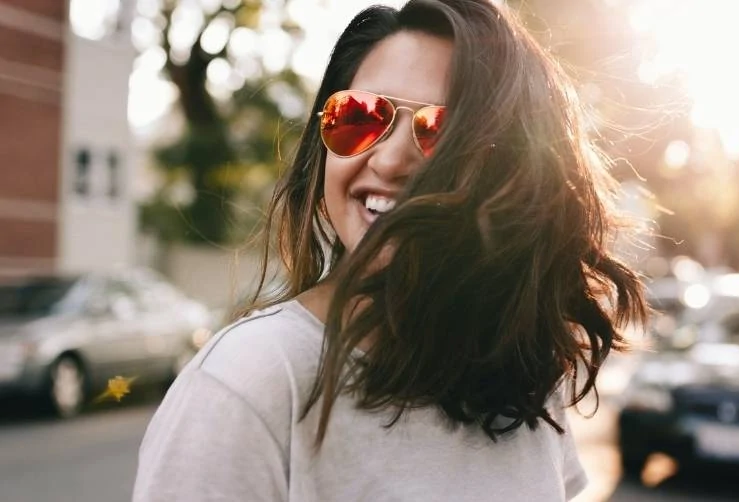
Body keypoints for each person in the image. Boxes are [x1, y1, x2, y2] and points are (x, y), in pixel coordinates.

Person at [133, 0, 647, 500]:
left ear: (515, 175)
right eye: (359, 117)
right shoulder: (248, 381)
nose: (390, 158)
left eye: (443, 131)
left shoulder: (521, 375)